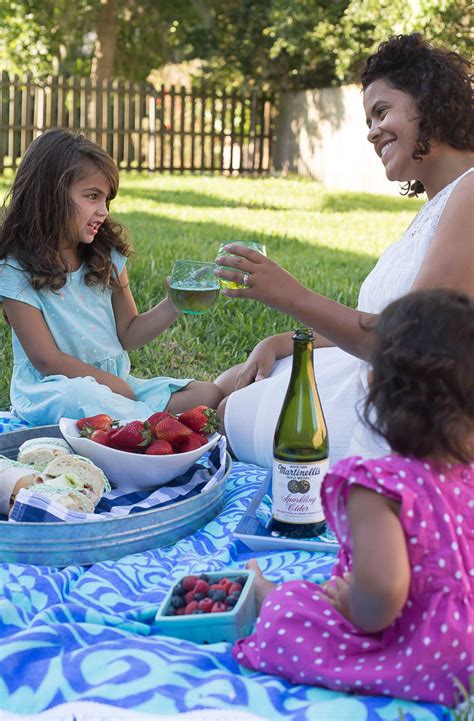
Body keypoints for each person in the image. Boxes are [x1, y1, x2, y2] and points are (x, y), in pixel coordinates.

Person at [215, 33, 474, 468]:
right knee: (230, 382)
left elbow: (412, 343)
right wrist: (286, 341)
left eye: (381, 111)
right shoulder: (442, 204)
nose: (373, 132)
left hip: (402, 420)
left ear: (428, 102)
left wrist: (288, 294)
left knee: (225, 411)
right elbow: (385, 320)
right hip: (370, 376)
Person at [233, 288, 474, 706]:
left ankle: (266, 594)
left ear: (374, 384)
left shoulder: (378, 486)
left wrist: (354, 606)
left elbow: (382, 591)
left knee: (289, 611)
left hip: (431, 654)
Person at [0, 129, 223, 425]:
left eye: (106, 199)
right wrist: (112, 386)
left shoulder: (105, 256)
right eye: (92, 196)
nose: (103, 211)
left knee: (207, 394)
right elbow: (46, 359)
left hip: (117, 386)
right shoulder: (14, 271)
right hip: (55, 388)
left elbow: (128, 333)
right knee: (82, 397)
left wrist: (173, 305)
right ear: (49, 194)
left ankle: (136, 424)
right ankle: (153, 426)